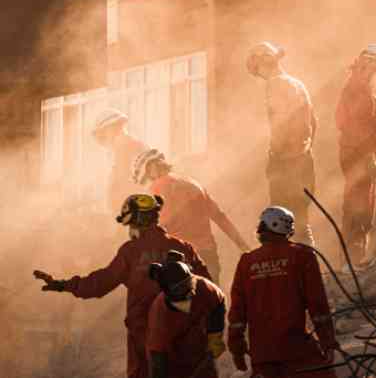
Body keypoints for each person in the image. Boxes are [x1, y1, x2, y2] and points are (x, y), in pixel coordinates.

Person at [34, 194, 210, 378]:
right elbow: (208, 288)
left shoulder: (131, 251)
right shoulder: (184, 248)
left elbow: (99, 284)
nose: (130, 229)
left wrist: (62, 285)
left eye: (130, 223)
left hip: (145, 338)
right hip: (185, 336)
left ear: (138, 221)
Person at [228, 206, 338, 377]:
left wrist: (237, 349)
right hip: (298, 350)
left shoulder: (247, 261)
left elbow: (237, 311)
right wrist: (328, 342)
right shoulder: (303, 256)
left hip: (263, 355)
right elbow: (317, 304)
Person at [132, 149, 252, 280]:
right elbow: (219, 217)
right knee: (211, 297)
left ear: (151, 169)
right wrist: (242, 245)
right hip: (207, 255)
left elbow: (159, 226)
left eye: (147, 178)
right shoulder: (194, 184)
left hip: (178, 258)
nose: (149, 181)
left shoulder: (157, 188)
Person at [247, 42, 319, 246]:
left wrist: (276, 156)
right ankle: (309, 263)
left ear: (262, 63)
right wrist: (304, 150)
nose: (259, 75)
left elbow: (280, 123)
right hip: (305, 160)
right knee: (301, 220)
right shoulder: (298, 84)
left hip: (286, 163)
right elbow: (314, 123)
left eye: (257, 69)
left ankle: (287, 270)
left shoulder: (275, 84)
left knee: (278, 221)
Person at [336, 43, 376, 263]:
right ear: (369, 66)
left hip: (357, 155)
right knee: (359, 211)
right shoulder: (358, 90)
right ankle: (354, 260)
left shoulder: (355, 88)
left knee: (356, 209)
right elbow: (358, 126)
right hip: (360, 156)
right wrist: (369, 149)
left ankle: (351, 259)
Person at [146, 251, 227, 378]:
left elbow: (218, 302)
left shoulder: (203, 287)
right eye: (180, 288)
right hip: (174, 363)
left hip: (202, 353)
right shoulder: (159, 314)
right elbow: (158, 357)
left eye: (189, 283)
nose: (189, 290)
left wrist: (215, 335)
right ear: (167, 291)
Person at [92, 108, 150, 214]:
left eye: (103, 133)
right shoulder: (132, 143)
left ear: (111, 128)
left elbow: (122, 179)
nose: (103, 138)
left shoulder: (123, 146)